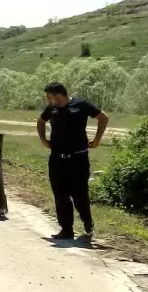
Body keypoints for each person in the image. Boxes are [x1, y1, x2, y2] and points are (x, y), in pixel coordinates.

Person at [37, 82, 109, 241]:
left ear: (58, 95)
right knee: (60, 195)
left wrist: (97, 139)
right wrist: (43, 139)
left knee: (79, 194)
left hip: (78, 158)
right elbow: (41, 121)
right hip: (57, 159)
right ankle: (66, 230)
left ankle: (88, 227)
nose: (48, 100)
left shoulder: (81, 105)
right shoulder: (52, 109)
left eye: (49, 97)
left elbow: (103, 117)